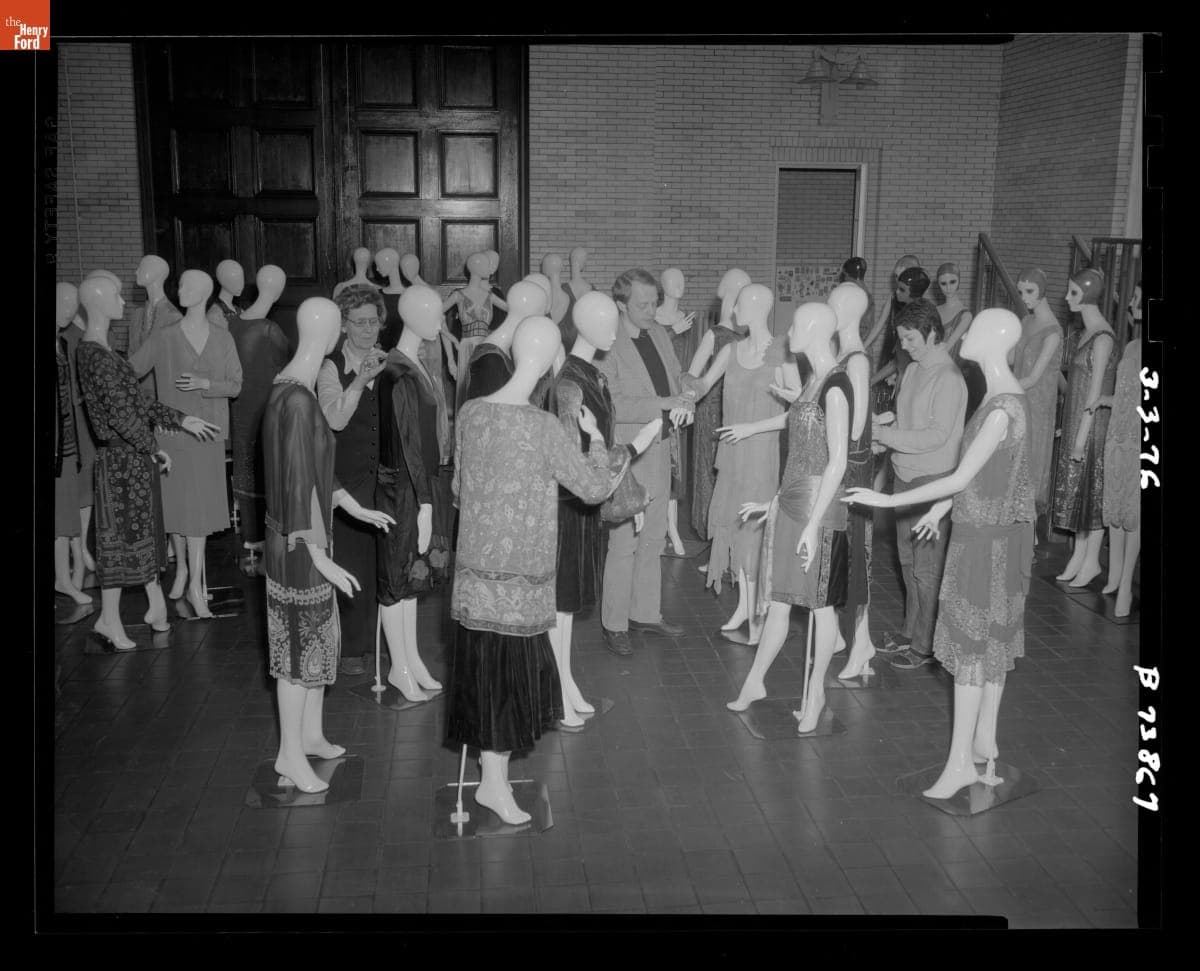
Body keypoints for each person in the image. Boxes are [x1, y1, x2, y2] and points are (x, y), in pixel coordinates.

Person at [845, 308, 1035, 799]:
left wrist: (887, 499)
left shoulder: (998, 408)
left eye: (973, 331)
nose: (964, 334)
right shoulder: (1004, 395)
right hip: (993, 532)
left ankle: (960, 766)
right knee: (990, 649)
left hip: (983, 543)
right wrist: (944, 506)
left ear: (995, 340)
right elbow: (985, 471)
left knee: (973, 656)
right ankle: (983, 742)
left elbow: (959, 473)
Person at [447, 316, 623, 823]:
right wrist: (595, 441)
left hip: (473, 575)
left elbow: (459, 489)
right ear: (549, 359)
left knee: (483, 675)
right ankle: (494, 787)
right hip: (520, 579)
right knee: (503, 682)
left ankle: (491, 779)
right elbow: (592, 489)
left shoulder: (472, 411)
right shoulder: (542, 426)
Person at [262, 297, 394, 793]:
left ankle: (311, 736)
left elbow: (313, 467)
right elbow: (297, 484)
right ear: (335, 331)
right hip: (299, 545)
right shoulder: (296, 401)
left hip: (303, 534)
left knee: (314, 643)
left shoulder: (286, 388)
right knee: (297, 654)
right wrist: (318, 554)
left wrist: (352, 506)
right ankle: (288, 755)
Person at [74, 274, 221, 651]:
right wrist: (153, 445)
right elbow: (123, 413)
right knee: (123, 539)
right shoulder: (95, 354)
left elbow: (138, 403)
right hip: (122, 460)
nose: (124, 303)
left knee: (142, 536)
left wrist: (181, 419)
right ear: (97, 302)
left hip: (129, 459)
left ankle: (155, 606)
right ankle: (110, 619)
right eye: (117, 297)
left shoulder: (104, 352)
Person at [725, 302, 851, 734]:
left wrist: (815, 523)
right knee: (779, 599)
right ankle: (754, 682)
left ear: (816, 329)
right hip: (793, 499)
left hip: (819, 506)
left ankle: (815, 694)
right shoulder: (815, 380)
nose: (789, 332)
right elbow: (799, 444)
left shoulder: (837, 385)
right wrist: (775, 502)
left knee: (819, 604)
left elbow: (837, 461)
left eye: (796, 325)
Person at [128, 269, 243, 616]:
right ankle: (183, 574)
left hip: (207, 434)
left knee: (202, 512)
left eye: (187, 285)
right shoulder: (164, 337)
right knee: (179, 509)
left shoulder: (222, 338)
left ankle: (195, 583)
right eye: (179, 284)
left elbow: (236, 384)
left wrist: (205, 383)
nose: (180, 290)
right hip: (173, 433)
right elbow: (131, 370)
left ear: (205, 291)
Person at [597, 269, 695, 656]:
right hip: (630, 451)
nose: (652, 310)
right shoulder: (608, 344)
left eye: (654, 302)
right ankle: (615, 623)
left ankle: (645, 613)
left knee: (653, 537)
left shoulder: (657, 333)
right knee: (624, 541)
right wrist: (665, 403)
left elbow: (676, 375)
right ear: (620, 304)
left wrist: (690, 388)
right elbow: (613, 405)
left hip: (661, 444)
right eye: (643, 304)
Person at [872, 299, 966, 670]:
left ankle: (925, 644)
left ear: (931, 333)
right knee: (908, 561)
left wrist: (887, 436)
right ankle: (910, 631)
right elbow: (905, 421)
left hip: (932, 480)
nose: (905, 346)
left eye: (910, 338)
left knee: (927, 570)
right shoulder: (911, 370)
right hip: (904, 477)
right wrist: (884, 436)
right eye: (901, 339)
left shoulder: (949, 378)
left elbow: (937, 436)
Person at [692, 284, 787, 644]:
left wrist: (752, 428)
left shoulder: (782, 352)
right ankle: (745, 607)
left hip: (761, 455)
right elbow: (702, 385)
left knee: (753, 535)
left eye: (741, 305)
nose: (734, 313)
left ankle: (758, 615)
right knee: (734, 527)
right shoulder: (731, 350)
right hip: (732, 455)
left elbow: (798, 411)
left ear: (761, 307)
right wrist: (684, 395)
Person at [318, 284, 389, 676]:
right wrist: (360, 381)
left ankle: (383, 642)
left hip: (384, 480)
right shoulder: (330, 366)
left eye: (373, 321)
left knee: (384, 563)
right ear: (344, 325)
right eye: (358, 322)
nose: (367, 329)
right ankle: (351, 649)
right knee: (352, 563)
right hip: (346, 481)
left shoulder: (392, 363)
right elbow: (334, 418)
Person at [1051, 268, 1117, 587]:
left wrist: (1080, 436)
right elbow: (1078, 385)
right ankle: (1079, 555)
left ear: (1089, 295)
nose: (1067, 298)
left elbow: (1094, 393)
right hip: (1078, 420)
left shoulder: (1103, 337)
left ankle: (1090, 560)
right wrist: (1068, 425)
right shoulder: (1085, 333)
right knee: (1077, 493)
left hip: (1092, 426)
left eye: (1073, 293)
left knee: (1090, 490)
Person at [1011, 267, 1062, 528]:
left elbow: (1032, 378)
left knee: (1029, 471)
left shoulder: (1052, 332)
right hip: (1019, 402)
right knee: (1014, 467)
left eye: (1029, 291)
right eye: (1021, 292)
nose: (1024, 297)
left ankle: (1027, 541)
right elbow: (1012, 359)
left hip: (1037, 408)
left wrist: (1003, 387)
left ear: (1042, 291)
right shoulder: (1025, 322)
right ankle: (1019, 538)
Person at [1098, 337, 1142, 617]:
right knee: (1115, 505)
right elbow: (1124, 395)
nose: (1136, 305)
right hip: (1117, 435)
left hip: (1141, 437)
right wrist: (1103, 400)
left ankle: (1126, 585)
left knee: (1135, 511)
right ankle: (1114, 577)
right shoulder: (1131, 346)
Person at [935, 262, 985, 420]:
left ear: (959, 282)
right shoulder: (935, 311)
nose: (948, 288)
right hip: (934, 367)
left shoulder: (965, 315)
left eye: (952, 282)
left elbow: (949, 344)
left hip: (952, 369)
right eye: (943, 283)